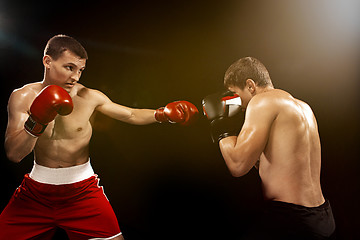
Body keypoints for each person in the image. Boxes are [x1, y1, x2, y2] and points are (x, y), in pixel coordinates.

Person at [0, 34, 199, 240]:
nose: (76, 77)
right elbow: (14, 154)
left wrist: (163, 114)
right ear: (47, 61)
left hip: (82, 192)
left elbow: (130, 114)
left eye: (80, 70)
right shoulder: (22, 97)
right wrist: (38, 120)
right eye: (69, 67)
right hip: (35, 194)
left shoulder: (88, 97)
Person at [202, 57, 335, 239]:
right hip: (322, 216)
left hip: (291, 220)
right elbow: (276, 165)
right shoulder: (303, 107)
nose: (236, 103)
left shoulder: (261, 102)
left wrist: (220, 126)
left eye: (234, 94)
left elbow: (237, 165)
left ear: (250, 85)